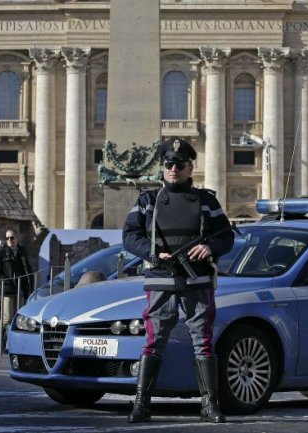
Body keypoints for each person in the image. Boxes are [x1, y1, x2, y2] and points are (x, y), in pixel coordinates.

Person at [122, 137, 234, 424]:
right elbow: (129, 235)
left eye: (179, 164)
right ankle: (141, 404)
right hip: (160, 277)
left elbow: (226, 235)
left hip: (197, 279)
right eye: (169, 164)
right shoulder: (148, 201)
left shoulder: (207, 200)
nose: (174, 168)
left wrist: (210, 247)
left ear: (190, 167)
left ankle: (210, 406)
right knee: (154, 341)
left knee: (203, 342)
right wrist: (150, 252)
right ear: (162, 167)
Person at [0, 229, 33, 327]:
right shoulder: (1, 252)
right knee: (6, 319)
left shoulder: (22, 252)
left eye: (12, 237)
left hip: (20, 289)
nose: (9, 240)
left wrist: (29, 287)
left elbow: (28, 270)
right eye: (7, 238)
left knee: (19, 320)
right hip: (7, 290)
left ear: (16, 238)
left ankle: (10, 341)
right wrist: (5, 280)